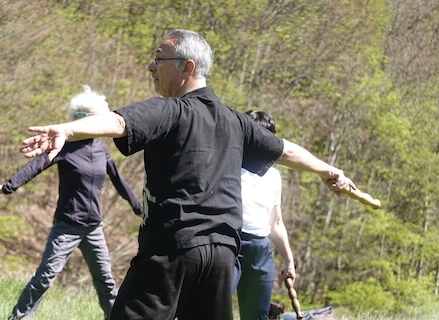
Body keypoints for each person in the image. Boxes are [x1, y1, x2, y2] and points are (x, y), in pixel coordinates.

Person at [18, 29, 357, 320]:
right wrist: (327, 169)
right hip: (223, 256)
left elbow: (118, 122)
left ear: (187, 67)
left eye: (159, 58)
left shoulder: (170, 109)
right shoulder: (236, 121)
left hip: (172, 250)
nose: (151, 67)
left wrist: (66, 129)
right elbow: (285, 150)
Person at [0, 85, 143, 320]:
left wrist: (139, 208)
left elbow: (120, 182)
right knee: (45, 277)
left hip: (94, 228)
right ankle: (19, 318)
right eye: (79, 117)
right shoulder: (65, 147)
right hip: (67, 226)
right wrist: (7, 187)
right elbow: (35, 166)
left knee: (106, 282)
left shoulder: (101, 149)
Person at [232, 110, 295, 320]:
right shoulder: (227, 168)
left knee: (256, 316)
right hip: (229, 246)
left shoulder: (274, 176)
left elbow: (276, 223)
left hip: (260, 251)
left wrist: (288, 260)